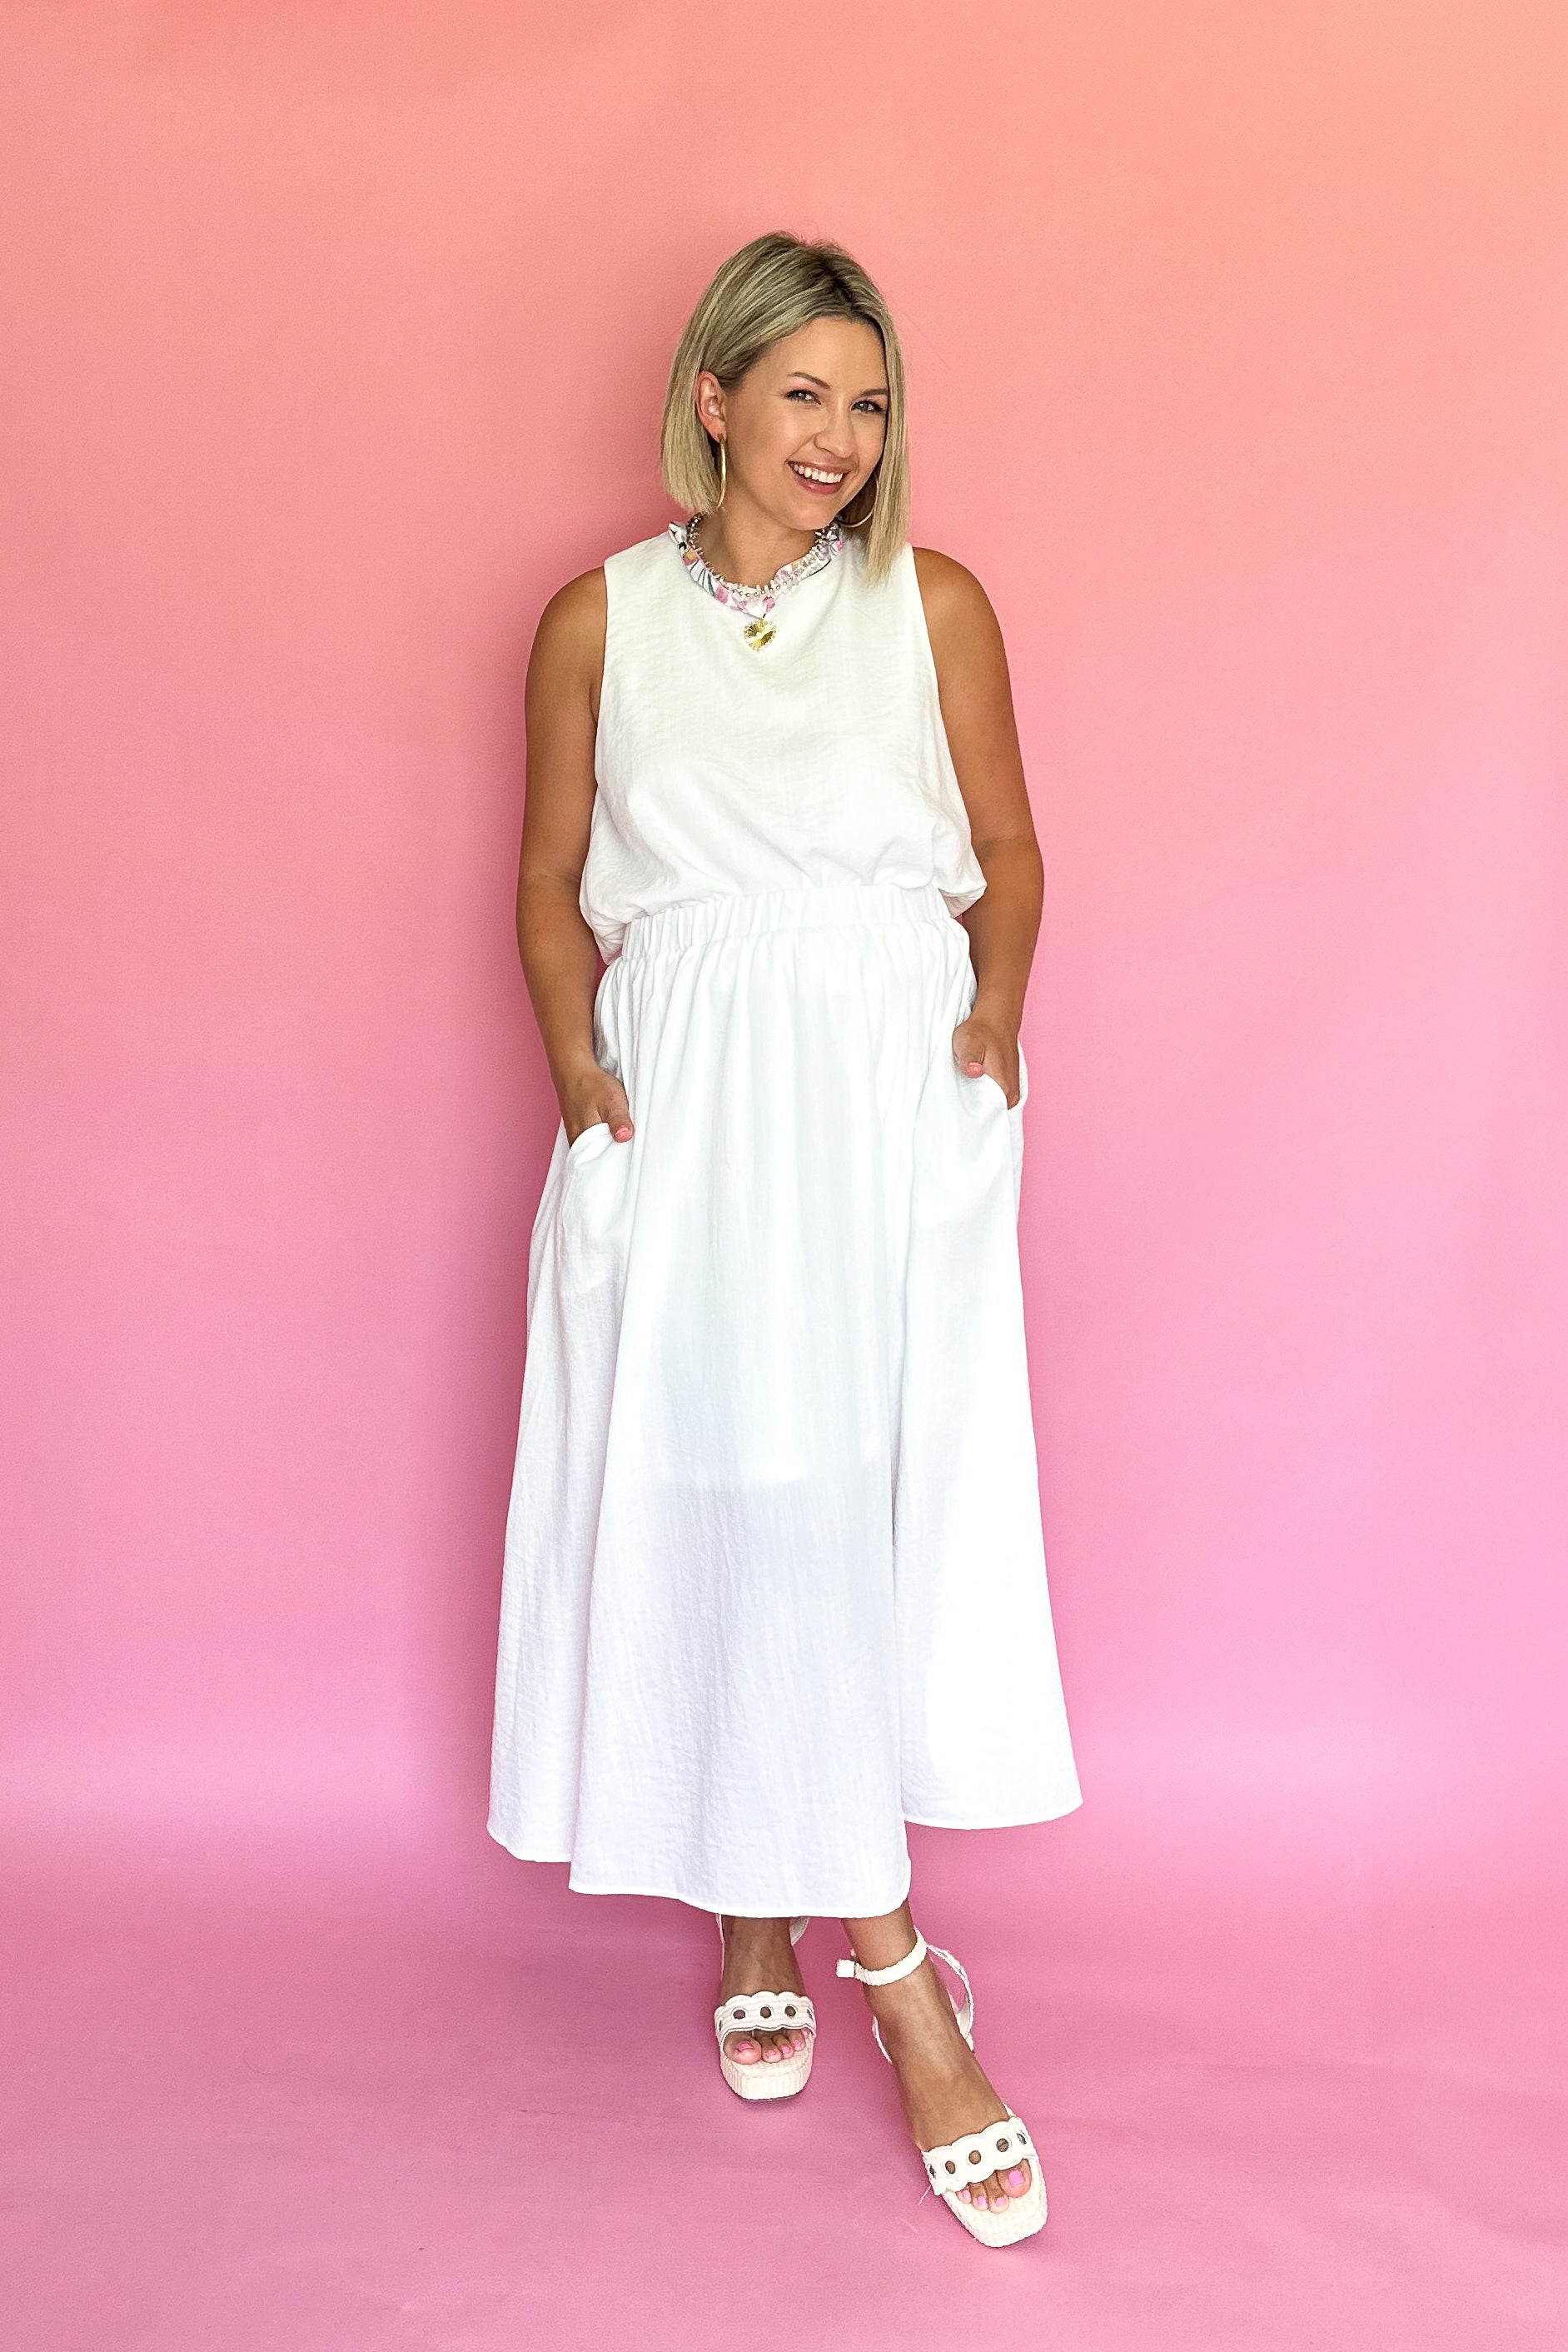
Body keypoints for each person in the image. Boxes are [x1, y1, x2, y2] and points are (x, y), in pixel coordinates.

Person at [488, 231, 1080, 2247]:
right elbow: (546, 876)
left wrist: (993, 1017)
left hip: (883, 1092)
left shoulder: (934, 603)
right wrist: (578, 1064)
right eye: (805, 392)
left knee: (847, 1492)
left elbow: (1007, 846)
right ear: (716, 397)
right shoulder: (598, 618)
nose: (840, 436)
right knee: (725, 1477)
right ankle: (854, 1948)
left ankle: (827, 1930)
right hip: (687, 1098)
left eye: (871, 400)